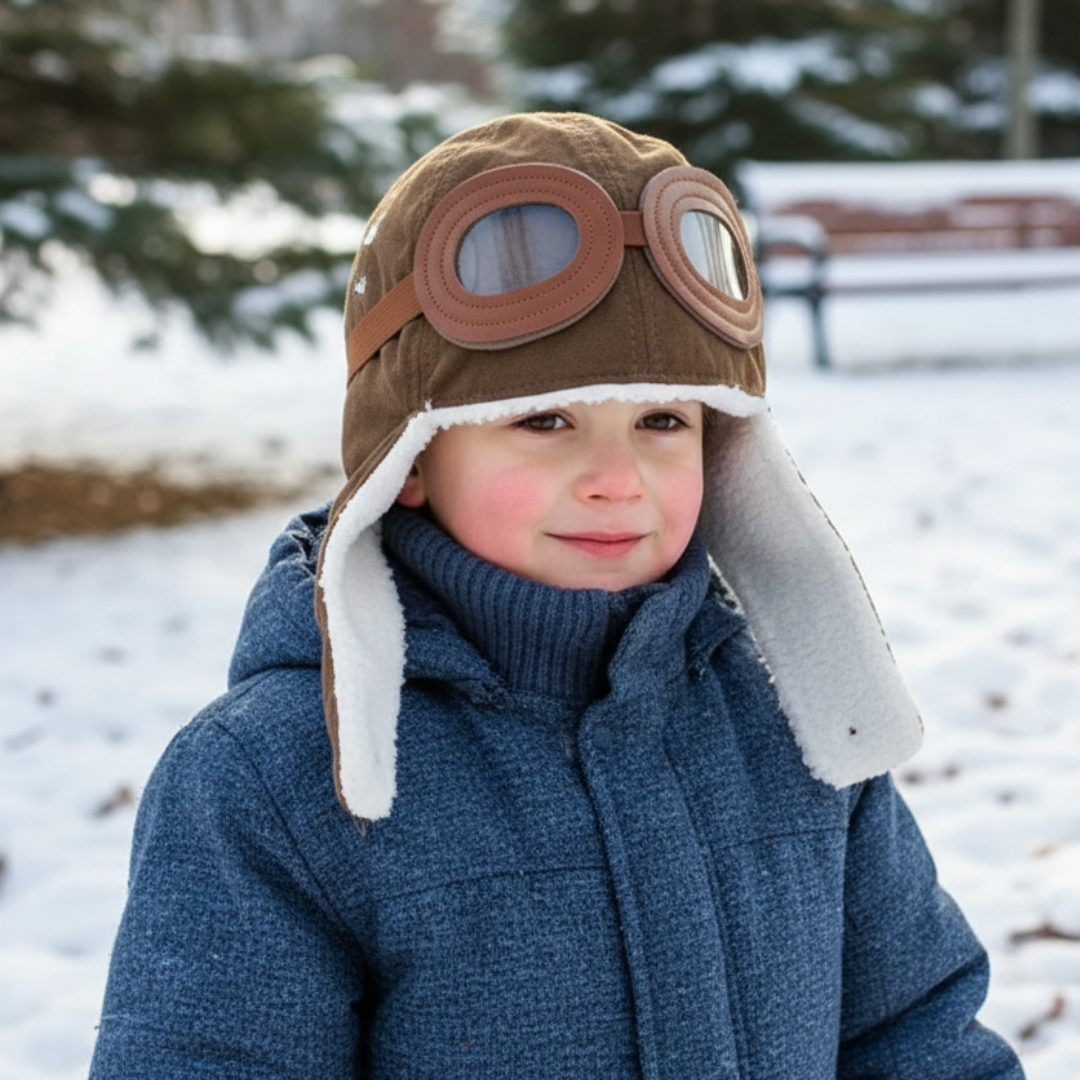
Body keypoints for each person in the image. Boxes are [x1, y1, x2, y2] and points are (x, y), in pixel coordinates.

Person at [90, 113, 1024, 1079]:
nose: (617, 478)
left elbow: (915, 1034)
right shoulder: (271, 780)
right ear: (407, 460)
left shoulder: (796, 721)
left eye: (663, 419)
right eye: (544, 420)